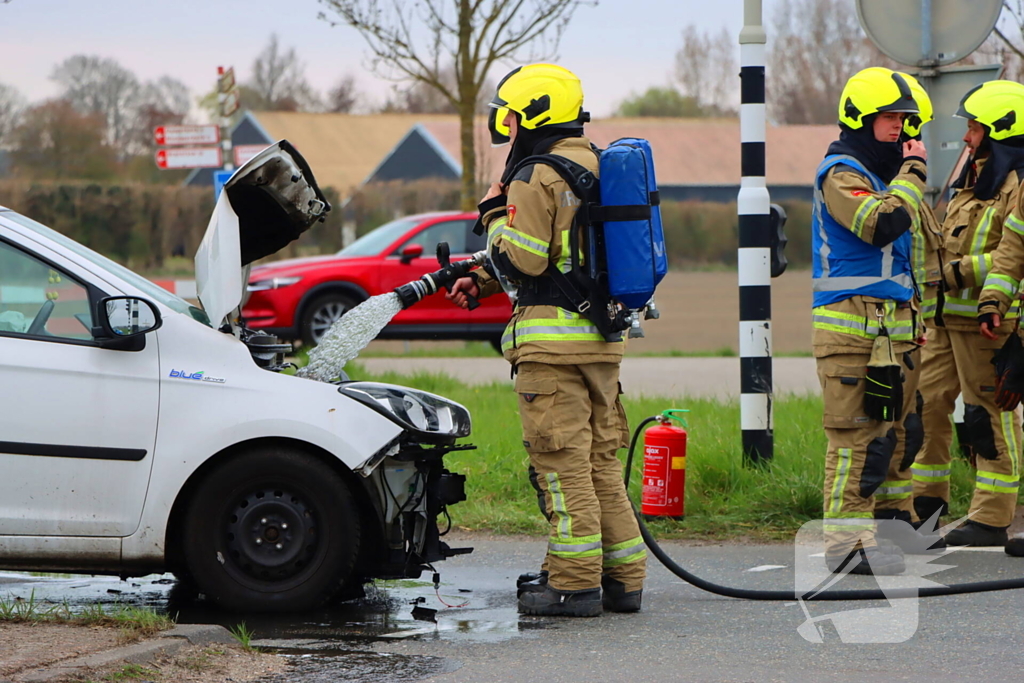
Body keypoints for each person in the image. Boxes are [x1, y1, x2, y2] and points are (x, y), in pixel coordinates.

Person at [446, 64, 646, 617]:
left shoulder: (536, 173)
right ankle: (623, 579)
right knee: (603, 464)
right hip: (602, 344)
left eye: (511, 116)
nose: (507, 128)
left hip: (551, 352)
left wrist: (490, 213)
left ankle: (573, 582)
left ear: (533, 113)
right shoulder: (598, 165)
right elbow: (564, 254)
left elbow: (525, 255)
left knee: (561, 466)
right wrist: (481, 278)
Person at [812, 67, 934, 575]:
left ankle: (891, 525)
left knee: (900, 433)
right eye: (891, 119)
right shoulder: (842, 173)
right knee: (856, 439)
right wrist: (913, 177)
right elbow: (879, 225)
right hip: (851, 333)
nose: (902, 130)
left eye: (907, 120)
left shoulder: (887, 179)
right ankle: (846, 546)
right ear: (859, 118)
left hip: (896, 331)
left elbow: (919, 256)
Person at [931, 80, 1024, 547]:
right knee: (927, 406)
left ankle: (991, 517)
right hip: (947, 318)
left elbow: (1008, 256)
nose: (967, 137)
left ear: (1000, 129)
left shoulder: (1015, 185)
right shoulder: (972, 178)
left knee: (988, 416)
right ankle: (926, 505)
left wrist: (956, 273)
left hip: (987, 324)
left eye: (974, 127)